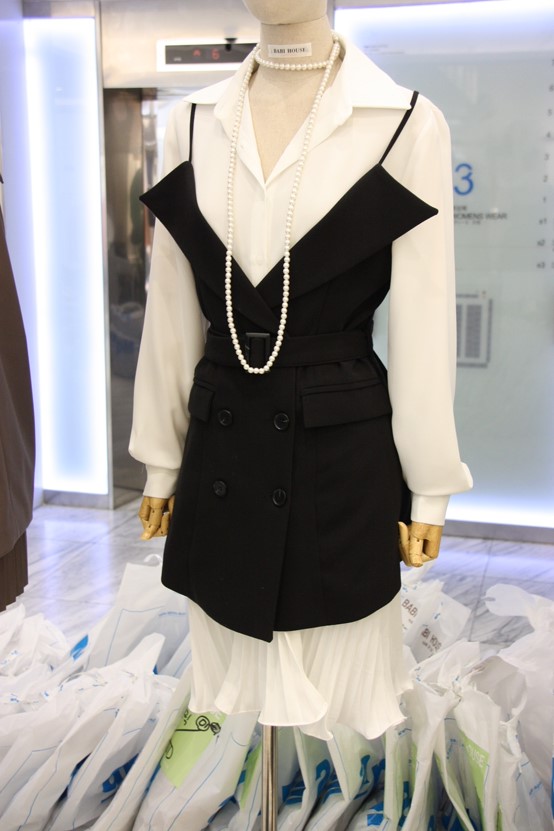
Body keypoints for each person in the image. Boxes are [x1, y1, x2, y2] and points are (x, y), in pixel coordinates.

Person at [130, 0, 472, 739]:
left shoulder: (406, 122)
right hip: (222, 441)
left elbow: (423, 319)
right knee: (233, 671)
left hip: (338, 456)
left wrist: (429, 485)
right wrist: (161, 461)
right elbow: (171, 307)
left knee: (326, 678)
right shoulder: (192, 119)